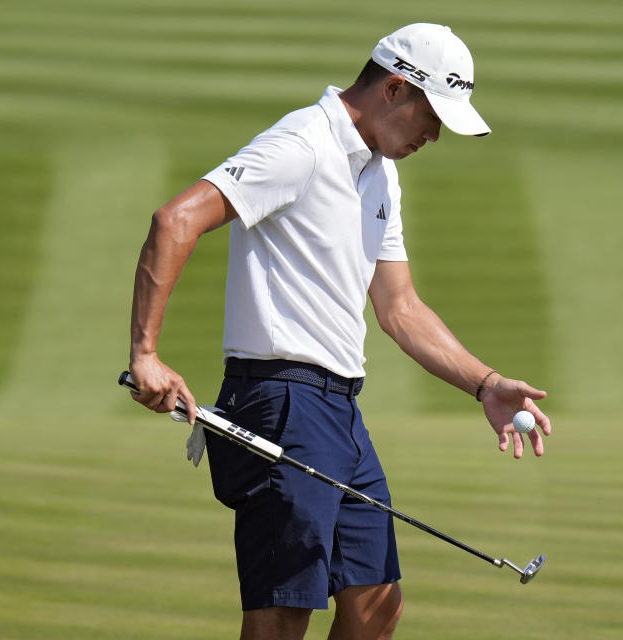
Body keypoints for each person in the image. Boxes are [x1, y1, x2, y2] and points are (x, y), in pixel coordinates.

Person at [128, 23, 552, 640]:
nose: (434, 134)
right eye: (432, 116)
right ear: (396, 90)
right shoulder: (303, 142)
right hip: (279, 399)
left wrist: (484, 385)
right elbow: (176, 220)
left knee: (377, 606)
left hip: (338, 408)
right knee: (283, 611)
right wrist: (146, 352)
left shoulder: (380, 173)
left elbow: (399, 305)